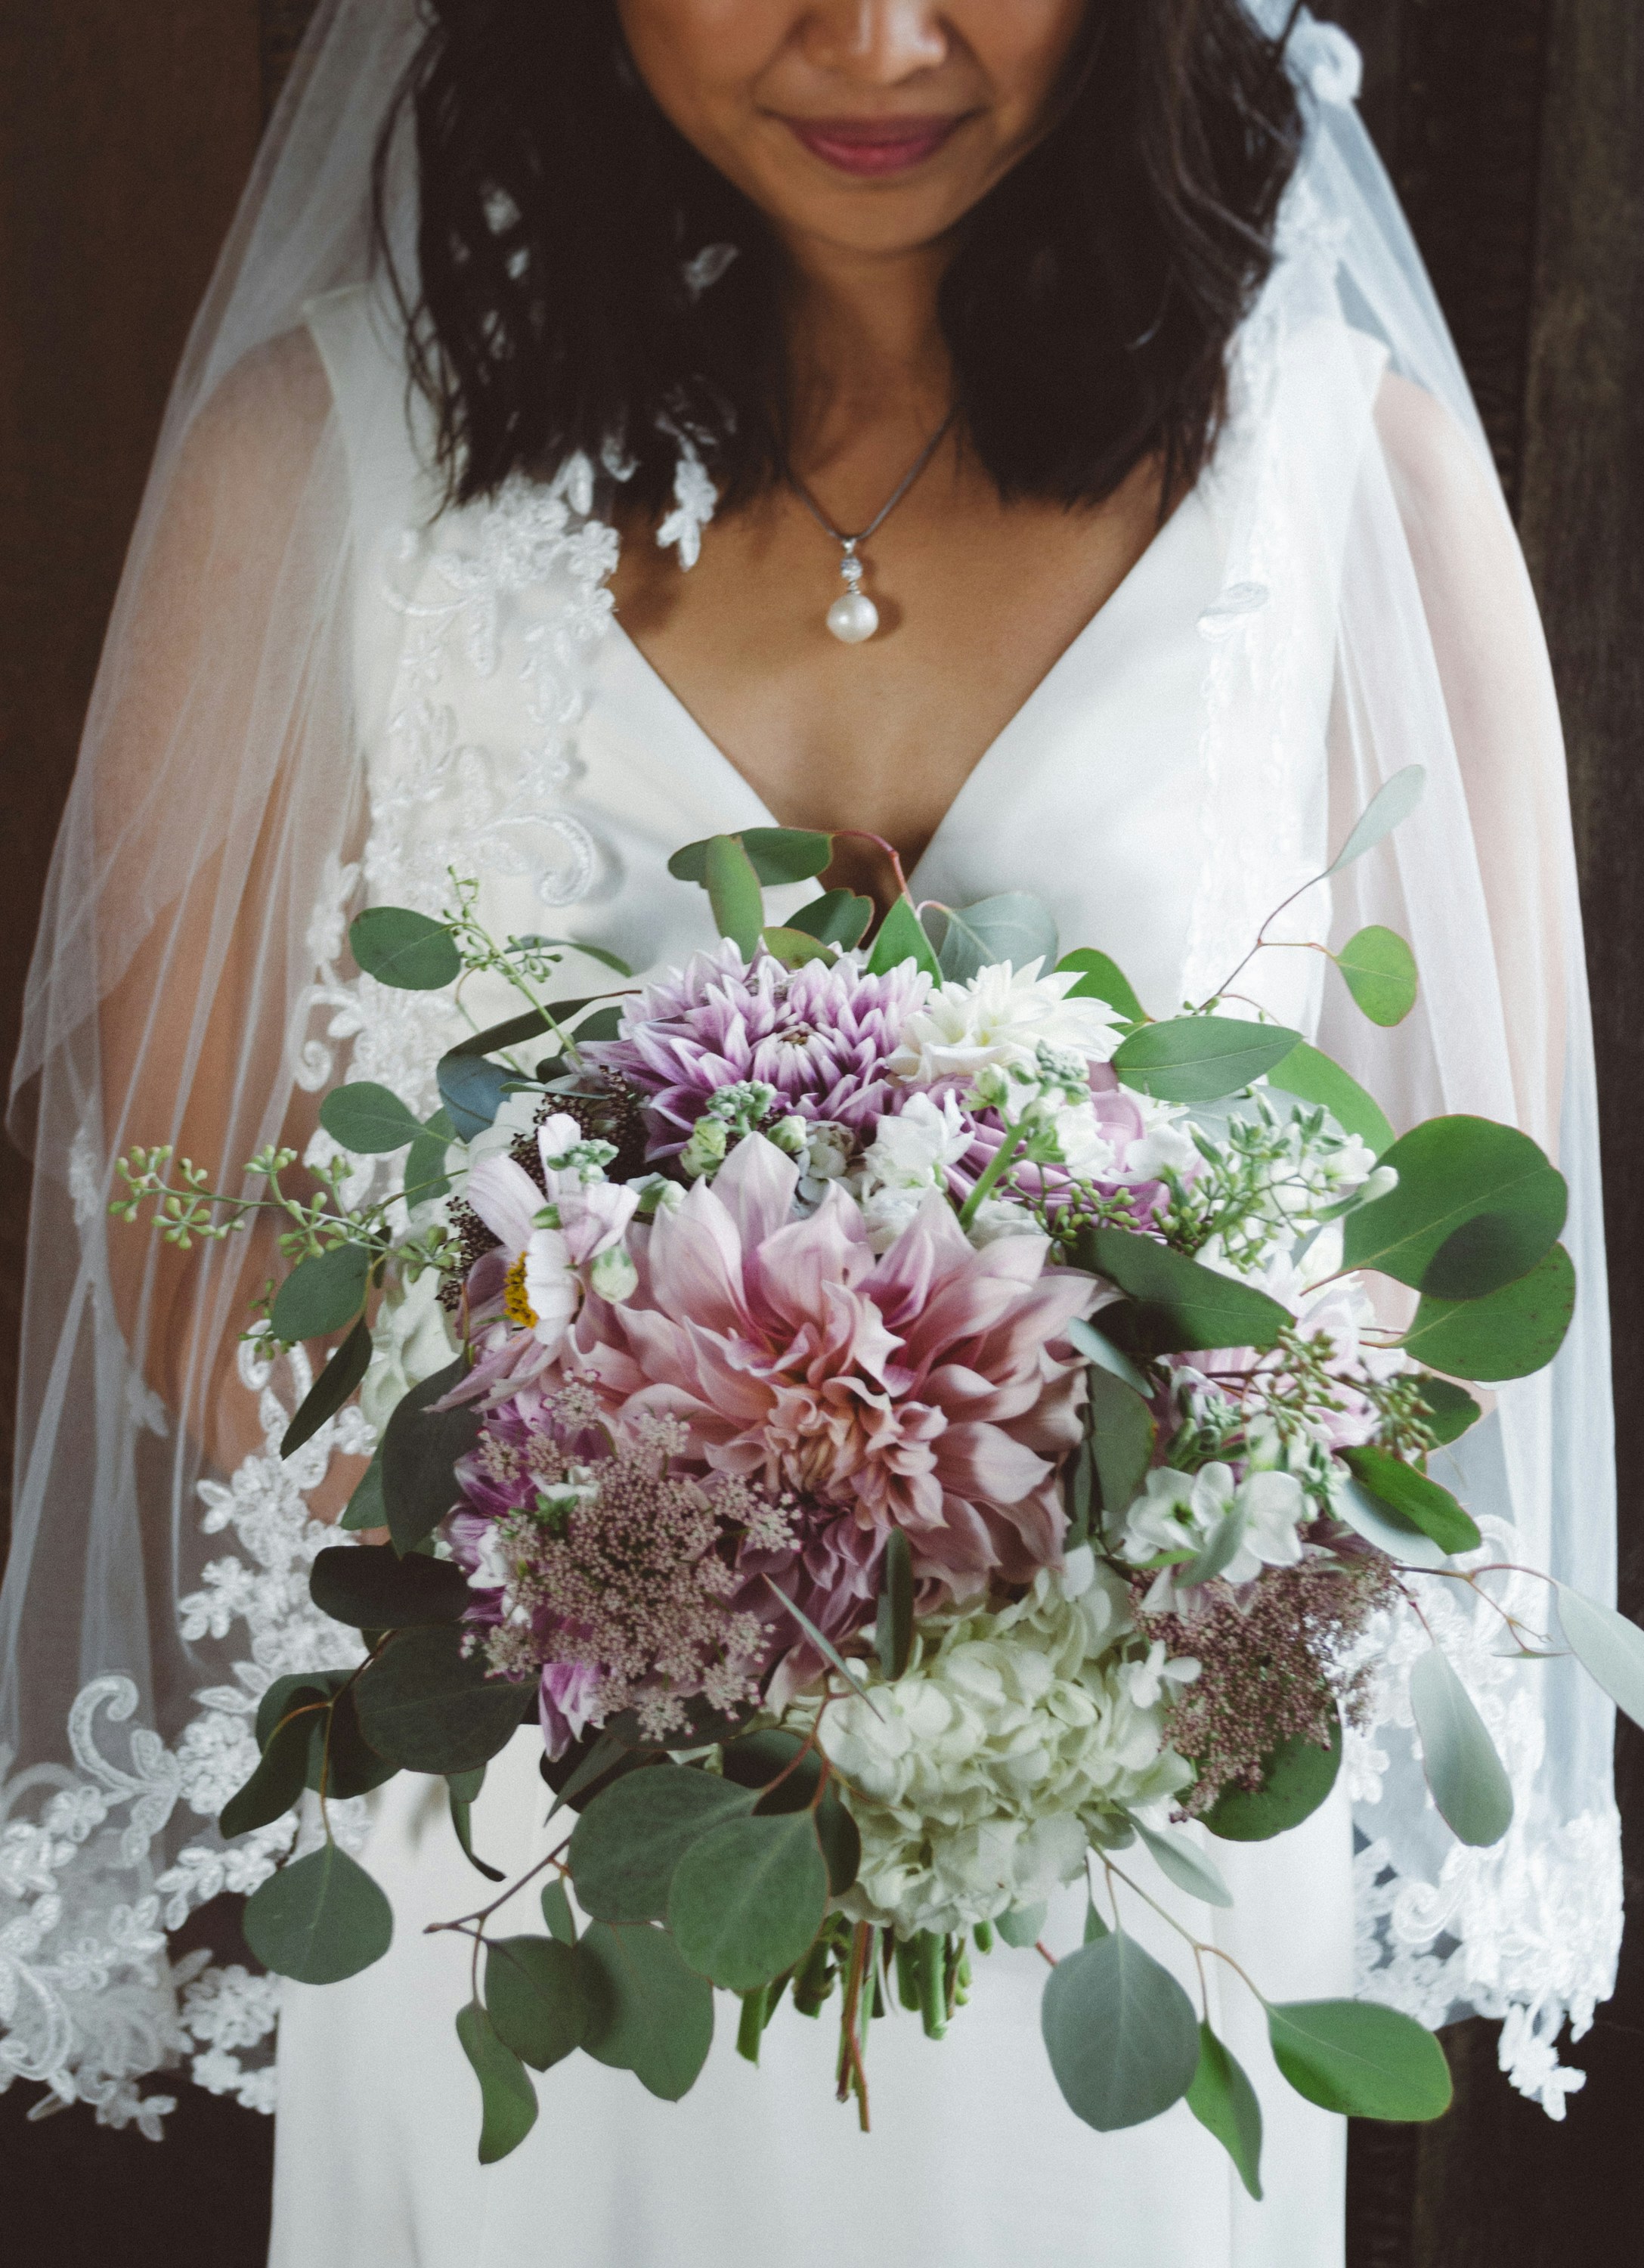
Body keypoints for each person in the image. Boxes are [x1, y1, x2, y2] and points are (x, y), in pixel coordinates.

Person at [0, 4, 1618, 2263]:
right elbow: (198, 1258)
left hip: (1103, 1865)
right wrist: (673, 1565)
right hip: (541, 1854)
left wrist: (1036, 1578)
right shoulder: (327, 466)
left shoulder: (1353, 482)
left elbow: (1446, 1291)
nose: (877, 38)